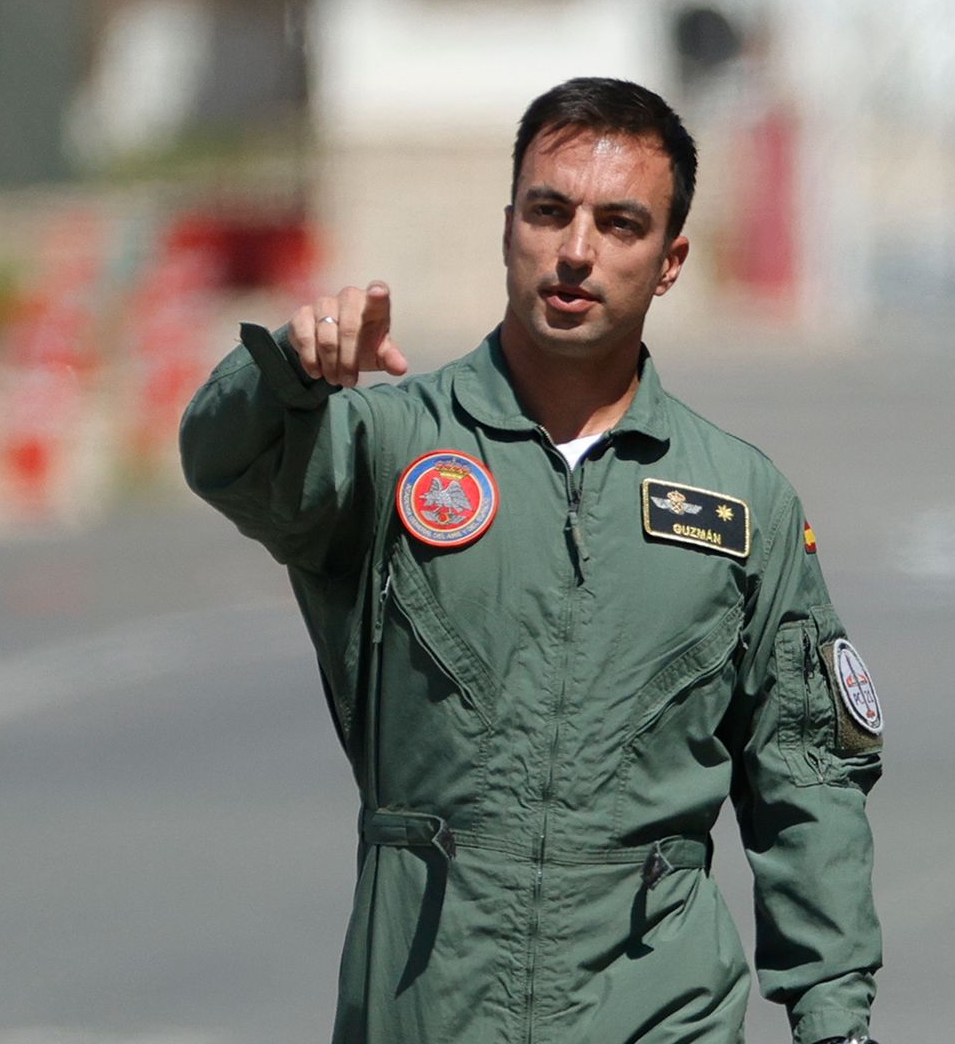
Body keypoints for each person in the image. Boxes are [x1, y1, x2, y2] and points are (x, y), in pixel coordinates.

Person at [180, 78, 882, 1044]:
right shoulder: (386, 444)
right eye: (550, 211)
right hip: (427, 1007)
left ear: (671, 261)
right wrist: (287, 380)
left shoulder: (742, 499)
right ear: (508, 224)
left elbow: (807, 777)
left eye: (621, 224)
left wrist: (835, 1017)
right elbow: (230, 464)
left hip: (659, 1011)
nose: (577, 251)